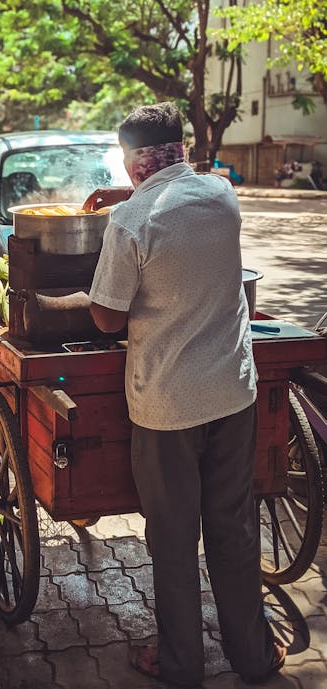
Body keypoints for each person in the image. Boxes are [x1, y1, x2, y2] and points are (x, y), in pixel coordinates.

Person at [87, 102, 286, 688]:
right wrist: (126, 202)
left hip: (168, 407)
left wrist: (120, 218)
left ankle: (181, 665)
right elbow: (178, 205)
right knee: (233, 527)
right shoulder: (223, 195)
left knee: (173, 538)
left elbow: (105, 318)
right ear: (179, 151)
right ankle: (252, 656)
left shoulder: (132, 223)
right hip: (232, 392)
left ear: (132, 164)